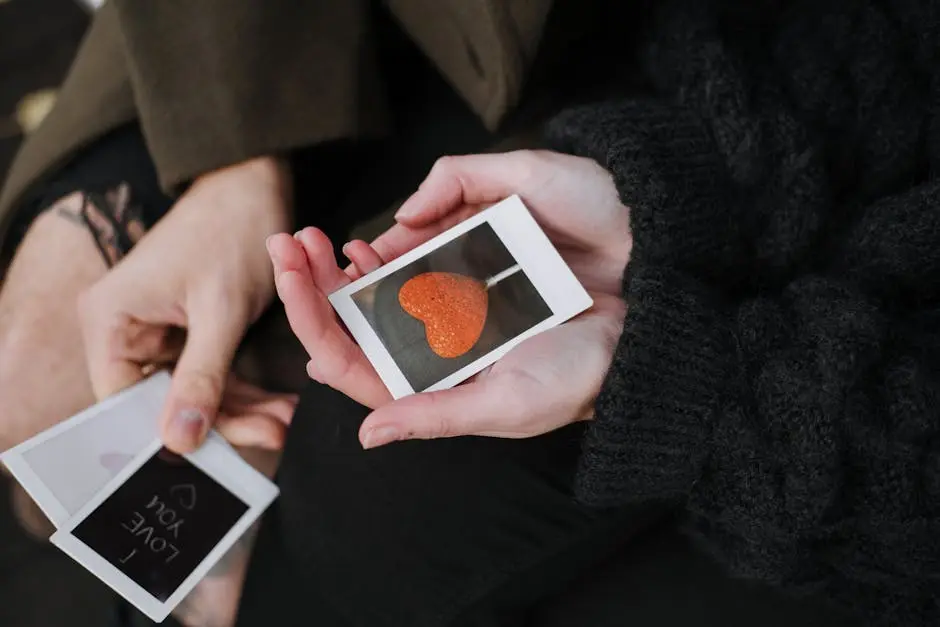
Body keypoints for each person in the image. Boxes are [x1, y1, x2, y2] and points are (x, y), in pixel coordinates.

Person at [259, 1, 940, 625]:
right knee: (364, 483)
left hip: (856, 468)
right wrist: (678, 193)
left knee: (363, 511)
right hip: (774, 119)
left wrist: (687, 385)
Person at [0, 0, 618, 625]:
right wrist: (235, 159)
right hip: (288, 32)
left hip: (613, 103)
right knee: (27, 383)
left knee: (309, 528)